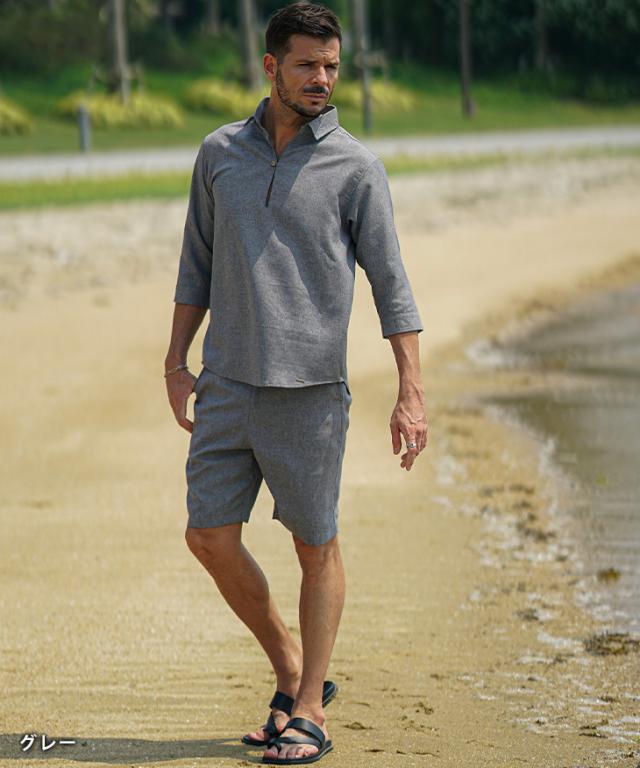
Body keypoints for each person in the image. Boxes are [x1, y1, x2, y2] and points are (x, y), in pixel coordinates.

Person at [164, 3, 427, 763]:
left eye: (332, 66)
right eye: (308, 64)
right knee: (208, 536)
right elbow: (196, 263)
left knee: (315, 547)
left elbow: (392, 284)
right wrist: (176, 362)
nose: (322, 79)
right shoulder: (219, 153)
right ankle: (289, 667)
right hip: (226, 384)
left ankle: (310, 708)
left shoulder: (356, 168)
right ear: (271, 65)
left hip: (310, 394)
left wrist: (411, 391)